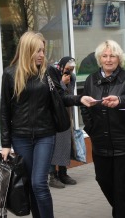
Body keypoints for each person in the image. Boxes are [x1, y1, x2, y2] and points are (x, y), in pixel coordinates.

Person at [0, 31, 93, 218]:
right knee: (31, 185)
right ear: (27, 51)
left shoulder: (48, 73)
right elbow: (5, 111)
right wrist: (5, 144)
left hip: (45, 135)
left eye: (43, 50)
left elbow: (61, 98)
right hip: (21, 137)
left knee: (39, 183)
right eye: (37, 50)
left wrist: (79, 98)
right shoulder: (10, 74)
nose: (42, 54)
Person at [80, 40, 125, 218]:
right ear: (99, 58)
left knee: (123, 185)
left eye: (112, 55)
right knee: (104, 180)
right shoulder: (92, 79)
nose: (108, 60)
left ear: (119, 58)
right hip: (101, 143)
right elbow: (85, 105)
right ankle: (124, 211)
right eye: (105, 56)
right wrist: (91, 128)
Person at [49, 56, 78, 188]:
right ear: (61, 67)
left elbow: (69, 95)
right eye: (67, 69)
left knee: (64, 143)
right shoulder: (52, 74)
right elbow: (54, 94)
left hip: (66, 113)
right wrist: (61, 82)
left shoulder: (72, 77)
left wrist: (67, 82)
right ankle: (52, 175)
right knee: (52, 144)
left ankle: (63, 172)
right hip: (53, 113)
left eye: (71, 70)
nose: (69, 72)